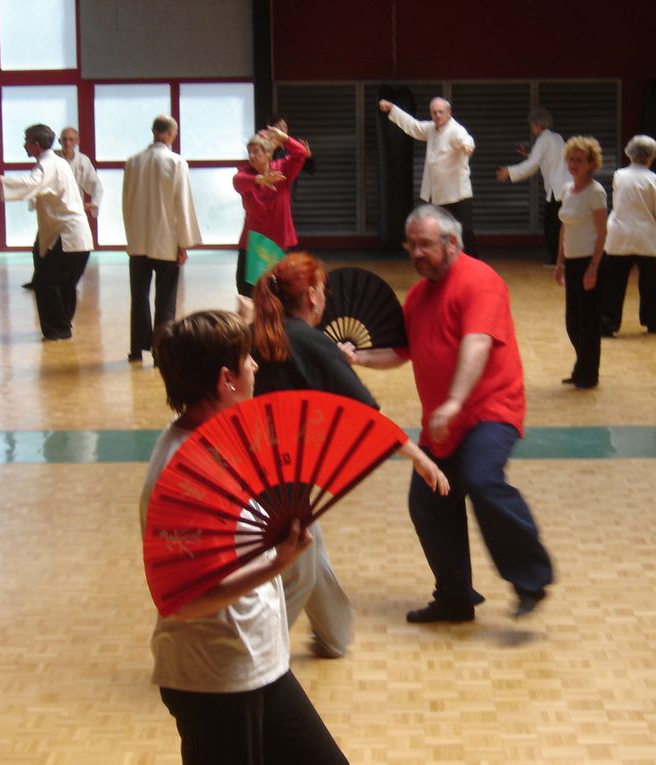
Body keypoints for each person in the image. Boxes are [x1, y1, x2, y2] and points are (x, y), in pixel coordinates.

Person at [140, 310, 348, 765]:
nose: (255, 366)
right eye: (247, 359)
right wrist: (277, 563)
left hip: (259, 665)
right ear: (225, 380)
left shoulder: (215, 437)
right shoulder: (183, 475)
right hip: (216, 679)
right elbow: (183, 601)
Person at [341, 205, 553, 623]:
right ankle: (455, 598)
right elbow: (401, 352)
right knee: (428, 502)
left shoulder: (480, 282)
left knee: (481, 478)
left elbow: (477, 345)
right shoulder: (419, 296)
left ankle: (531, 578)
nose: (416, 253)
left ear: (451, 243)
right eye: (411, 246)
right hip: (443, 424)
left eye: (425, 244)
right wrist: (359, 358)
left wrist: (455, 401)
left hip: (491, 409)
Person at [251, 252, 449, 655]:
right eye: (322, 290)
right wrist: (420, 457)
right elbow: (367, 416)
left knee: (312, 552)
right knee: (301, 570)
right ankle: (254, 658)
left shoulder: (258, 334)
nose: (325, 297)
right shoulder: (312, 343)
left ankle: (334, 636)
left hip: (255, 469)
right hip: (284, 482)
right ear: (311, 297)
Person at [0, 124, 92, 341]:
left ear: (35, 144)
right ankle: (62, 327)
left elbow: (32, 183)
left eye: (27, 141)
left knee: (45, 284)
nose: (24, 144)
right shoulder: (58, 162)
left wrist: (2, 181)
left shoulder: (48, 164)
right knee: (64, 285)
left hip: (68, 234)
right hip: (75, 235)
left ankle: (57, 329)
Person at [123, 115, 203, 364]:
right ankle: (160, 352)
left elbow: (126, 202)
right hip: (166, 241)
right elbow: (182, 204)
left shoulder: (133, 162)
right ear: (171, 134)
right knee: (166, 299)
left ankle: (136, 350)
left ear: (153, 132)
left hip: (139, 241)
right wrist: (183, 243)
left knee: (139, 296)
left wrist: (131, 235)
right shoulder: (176, 162)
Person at [378, 97, 479, 257]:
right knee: (442, 233)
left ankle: (474, 267)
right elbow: (414, 126)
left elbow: (466, 140)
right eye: (434, 112)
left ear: (448, 113)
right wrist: (393, 108)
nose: (437, 116)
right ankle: (446, 264)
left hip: (458, 194)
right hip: (439, 194)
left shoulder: (456, 129)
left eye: (441, 112)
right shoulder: (431, 129)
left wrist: (467, 146)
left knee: (464, 232)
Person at [600, 135, 656, 336]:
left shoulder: (619, 176)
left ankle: (608, 324)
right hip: (646, 237)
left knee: (614, 283)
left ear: (630, 153)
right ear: (651, 157)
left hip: (620, 236)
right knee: (649, 282)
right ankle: (652, 322)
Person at [554, 136, 608, 389]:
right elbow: (565, 227)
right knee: (573, 322)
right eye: (571, 159)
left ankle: (589, 374)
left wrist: (594, 267)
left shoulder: (595, 192)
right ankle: (581, 367)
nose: (574, 164)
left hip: (589, 261)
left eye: (579, 160)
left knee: (588, 321)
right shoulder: (567, 189)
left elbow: (602, 232)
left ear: (590, 164)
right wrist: (560, 261)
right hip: (572, 262)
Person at [22, 126, 103, 290]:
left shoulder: (82, 161)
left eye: (71, 139)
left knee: (71, 252)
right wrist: (34, 201)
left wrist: (93, 204)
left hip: (70, 213)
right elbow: (35, 183)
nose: (67, 143)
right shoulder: (53, 159)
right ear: (58, 141)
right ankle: (40, 279)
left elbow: (95, 185)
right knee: (40, 248)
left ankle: (67, 283)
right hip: (52, 213)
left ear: (77, 142)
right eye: (64, 139)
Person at [232, 126, 308, 297]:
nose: (251, 156)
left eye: (256, 152)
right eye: (249, 152)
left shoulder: (282, 168)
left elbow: (301, 153)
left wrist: (285, 139)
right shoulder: (244, 173)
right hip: (253, 244)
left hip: (278, 241)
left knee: (280, 291)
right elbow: (237, 182)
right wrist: (260, 179)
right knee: (248, 292)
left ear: (268, 154)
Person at [495, 108, 568, 265]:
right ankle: (561, 258)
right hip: (565, 187)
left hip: (557, 188)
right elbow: (547, 159)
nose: (531, 128)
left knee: (551, 226)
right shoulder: (556, 137)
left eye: (532, 125)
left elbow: (533, 165)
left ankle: (557, 259)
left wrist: (509, 171)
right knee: (560, 225)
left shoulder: (543, 139)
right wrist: (530, 154)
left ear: (537, 125)